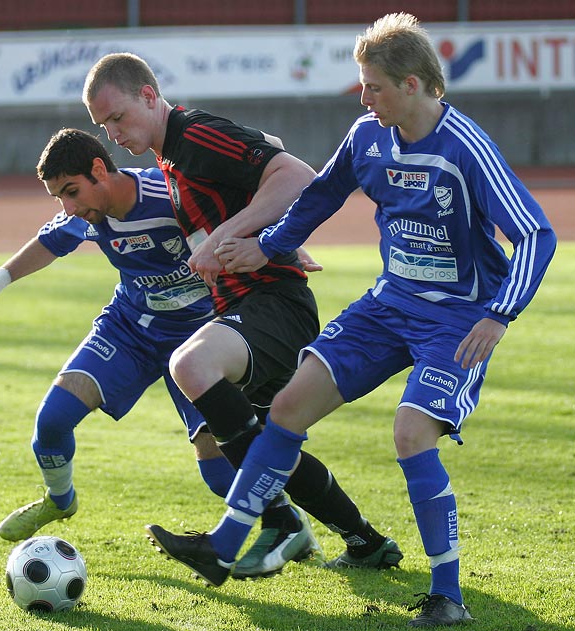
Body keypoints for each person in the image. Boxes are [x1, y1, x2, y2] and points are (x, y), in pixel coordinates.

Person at [151, 12, 558, 626]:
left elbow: (535, 234)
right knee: (288, 407)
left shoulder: (463, 146)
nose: (363, 97)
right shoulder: (368, 136)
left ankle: (447, 596)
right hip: (389, 304)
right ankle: (224, 547)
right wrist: (270, 244)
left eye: (373, 86)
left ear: (414, 84)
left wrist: (500, 315)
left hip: (457, 319)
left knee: (410, 433)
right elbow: (319, 195)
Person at [82, 52, 402, 584]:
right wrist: (270, 239)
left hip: (273, 305)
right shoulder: (172, 157)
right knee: (263, 441)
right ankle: (365, 541)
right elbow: (257, 182)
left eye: (117, 117)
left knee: (189, 367)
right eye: (103, 126)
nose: (114, 133)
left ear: (147, 95)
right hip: (252, 304)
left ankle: (278, 525)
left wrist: (243, 236)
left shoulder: (194, 136)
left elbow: (298, 175)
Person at [0, 127, 237, 541]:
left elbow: (236, 224)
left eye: (72, 192)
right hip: (129, 329)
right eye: (59, 198)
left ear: (99, 170)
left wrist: (280, 248)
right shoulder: (85, 215)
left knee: (218, 474)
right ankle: (59, 499)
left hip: (198, 339)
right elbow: (48, 242)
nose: (68, 208)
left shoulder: (170, 196)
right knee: (51, 424)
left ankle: (288, 524)